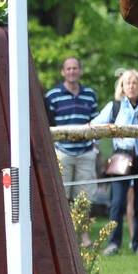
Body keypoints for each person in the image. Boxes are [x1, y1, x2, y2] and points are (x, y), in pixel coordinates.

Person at [92, 69, 138, 255]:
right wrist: (93, 146)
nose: (131, 86)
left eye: (134, 82)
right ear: (122, 87)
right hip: (122, 157)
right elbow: (96, 125)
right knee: (117, 202)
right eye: (127, 83)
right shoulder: (114, 107)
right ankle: (113, 243)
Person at [44, 57, 100, 245]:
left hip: (85, 152)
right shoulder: (53, 96)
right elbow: (47, 124)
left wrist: (95, 145)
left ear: (80, 71)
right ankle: (63, 237)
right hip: (63, 151)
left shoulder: (90, 94)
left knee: (84, 197)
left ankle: (83, 236)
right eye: (68, 68)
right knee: (62, 195)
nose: (72, 71)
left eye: (75, 68)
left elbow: (96, 122)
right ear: (63, 72)